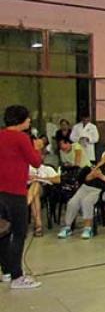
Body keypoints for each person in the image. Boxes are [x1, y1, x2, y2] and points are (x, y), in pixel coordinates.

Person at [0, 105, 44, 289]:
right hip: (15, 192)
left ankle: (7, 271)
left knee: (2, 232)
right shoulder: (21, 138)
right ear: (20, 120)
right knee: (19, 233)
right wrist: (38, 147)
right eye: (27, 118)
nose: (29, 121)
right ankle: (18, 277)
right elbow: (35, 161)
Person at [57, 148, 105, 239]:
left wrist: (102, 177)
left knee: (87, 201)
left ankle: (88, 228)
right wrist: (94, 173)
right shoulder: (101, 166)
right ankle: (67, 227)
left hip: (101, 190)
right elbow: (87, 178)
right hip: (86, 187)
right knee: (72, 202)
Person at [27, 163, 60, 237]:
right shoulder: (27, 168)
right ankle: (38, 223)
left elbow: (58, 180)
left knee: (36, 184)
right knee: (35, 194)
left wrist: (40, 178)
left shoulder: (47, 168)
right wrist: (27, 178)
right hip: (28, 189)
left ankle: (27, 202)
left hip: (44, 190)